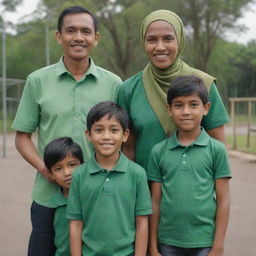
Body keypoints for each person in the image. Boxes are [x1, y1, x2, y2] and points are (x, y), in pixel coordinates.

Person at [12, 6, 121, 256]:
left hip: (98, 195)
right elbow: (22, 137)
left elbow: (122, 137)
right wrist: (45, 169)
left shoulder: (114, 84)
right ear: (59, 36)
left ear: (96, 38)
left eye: (86, 31)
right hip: (49, 196)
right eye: (71, 31)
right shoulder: (37, 81)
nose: (78, 37)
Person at [117, 9, 230, 169]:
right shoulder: (128, 89)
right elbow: (128, 150)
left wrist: (215, 190)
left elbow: (219, 147)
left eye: (168, 38)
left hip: (194, 189)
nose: (160, 47)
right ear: (144, 43)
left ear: (180, 40)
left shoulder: (205, 84)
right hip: (145, 189)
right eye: (152, 40)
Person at [147, 75, 231, 256]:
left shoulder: (216, 150)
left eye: (193, 105)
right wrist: (152, 246)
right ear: (169, 109)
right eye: (179, 105)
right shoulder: (158, 152)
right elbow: (155, 202)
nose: (186, 111)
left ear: (206, 108)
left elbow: (224, 201)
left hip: (205, 243)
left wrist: (218, 246)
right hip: (167, 242)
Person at [66, 101, 152, 256]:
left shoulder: (137, 174)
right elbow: (75, 223)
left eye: (113, 130)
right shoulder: (79, 175)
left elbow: (142, 222)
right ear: (89, 135)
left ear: (125, 135)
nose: (106, 136)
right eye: (99, 130)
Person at [43, 137, 84, 256]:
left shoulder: (90, 199)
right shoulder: (52, 204)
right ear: (51, 174)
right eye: (58, 168)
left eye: (72, 165)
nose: (67, 173)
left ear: (82, 165)